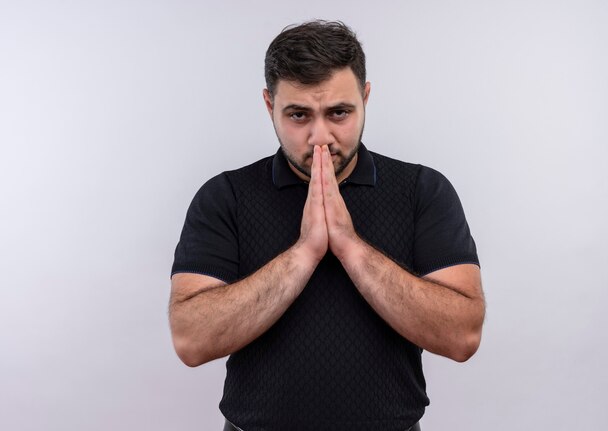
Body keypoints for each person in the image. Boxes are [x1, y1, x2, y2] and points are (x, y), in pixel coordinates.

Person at [169, 20, 485, 431]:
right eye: (298, 114)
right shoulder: (225, 196)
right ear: (270, 105)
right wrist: (304, 253)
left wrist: (352, 248)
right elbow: (191, 341)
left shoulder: (422, 191)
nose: (321, 137)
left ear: (365, 97)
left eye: (339, 112)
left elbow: (462, 336)